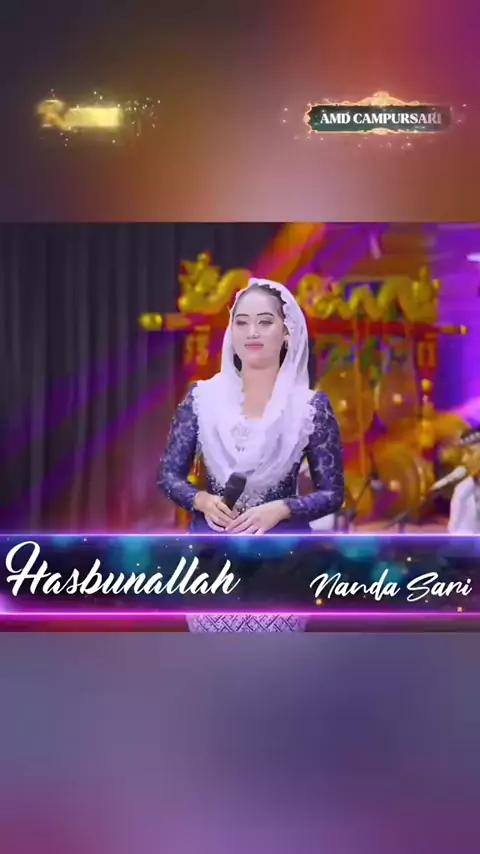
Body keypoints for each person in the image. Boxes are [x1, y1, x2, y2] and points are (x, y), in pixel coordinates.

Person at [157, 278, 345, 631]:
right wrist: (202, 500)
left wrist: (282, 508)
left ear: (286, 333)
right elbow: (168, 476)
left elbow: (332, 493)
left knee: (274, 663)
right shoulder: (202, 398)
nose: (252, 332)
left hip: (283, 563)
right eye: (241, 322)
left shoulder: (310, 407)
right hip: (212, 561)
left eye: (264, 322)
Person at [448, 428, 480, 534]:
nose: (464, 459)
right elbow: (456, 535)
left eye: (470, 453)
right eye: (463, 454)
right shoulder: (462, 491)